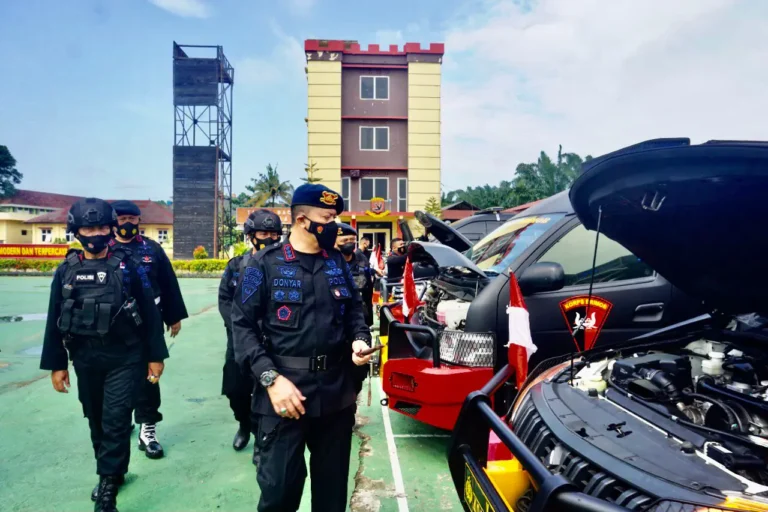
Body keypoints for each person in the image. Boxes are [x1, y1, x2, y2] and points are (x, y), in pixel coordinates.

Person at [232, 183, 372, 512]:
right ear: (302, 220)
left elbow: (354, 312)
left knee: (331, 497)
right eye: (327, 218)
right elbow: (242, 326)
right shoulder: (262, 265)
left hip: (335, 394)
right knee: (279, 493)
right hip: (284, 395)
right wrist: (270, 379)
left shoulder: (337, 262)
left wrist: (359, 340)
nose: (334, 226)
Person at [39, 198, 168, 512]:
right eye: (89, 228)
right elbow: (54, 317)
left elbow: (150, 314)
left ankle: (108, 485)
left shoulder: (130, 267)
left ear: (110, 229)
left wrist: (155, 356)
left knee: (116, 419)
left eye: (101, 227)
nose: (95, 234)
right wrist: (57, 364)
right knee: (95, 418)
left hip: (126, 357)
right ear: (76, 231)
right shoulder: (66, 270)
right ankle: (112, 469)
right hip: (85, 358)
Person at [109, 200, 188, 460]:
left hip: (148, 323)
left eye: (132, 218)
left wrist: (173, 316)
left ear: (139, 220)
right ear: (113, 221)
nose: (128, 223)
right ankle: (122, 419)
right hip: (113, 327)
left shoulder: (151, 249)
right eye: (122, 219)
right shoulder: (103, 249)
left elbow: (168, 282)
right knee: (115, 377)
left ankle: (148, 429)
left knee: (149, 375)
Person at [218, 209, 282, 463]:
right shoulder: (236, 266)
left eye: (274, 234)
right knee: (235, 389)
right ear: (251, 236)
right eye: (263, 233)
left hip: (271, 341)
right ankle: (243, 423)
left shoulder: (285, 267)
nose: (269, 238)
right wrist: (240, 327)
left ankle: (259, 438)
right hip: (240, 339)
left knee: (264, 391)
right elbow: (225, 300)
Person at [353, 235, 375, 324]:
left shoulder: (363, 254)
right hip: (363, 284)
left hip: (367, 283)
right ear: (365, 243)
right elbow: (363, 269)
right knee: (365, 304)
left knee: (368, 304)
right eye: (368, 243)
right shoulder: (358, 254)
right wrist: (374, 271)